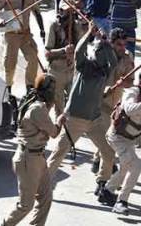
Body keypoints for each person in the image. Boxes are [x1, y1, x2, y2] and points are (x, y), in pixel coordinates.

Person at [46, 23, 118, 188]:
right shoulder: (83, 67)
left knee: (108, 153)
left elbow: (113, 62)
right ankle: (43, 185)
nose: (95, 55)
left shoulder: (103, 72)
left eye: (99, 52)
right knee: (58, 154)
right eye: (94, 51)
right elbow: (79, 51)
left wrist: (106, 44)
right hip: (74, 119)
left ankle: (102, 183)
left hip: (94, 120)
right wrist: (89, 34)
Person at [99, 68, 141, 215]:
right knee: (136, 167)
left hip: (130, 140)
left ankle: (107, 191)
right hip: (117, 137)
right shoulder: (132, 92)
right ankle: (121, 201)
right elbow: (129, 109)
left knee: (125, 167)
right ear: (140, 82)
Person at [1, 74, 66, 226]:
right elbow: (54, 132)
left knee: (45, 197)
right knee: (26, 205)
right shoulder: (38, 109)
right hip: (28, 159)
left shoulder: (37, 103)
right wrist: (59, 120)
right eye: (53, 89)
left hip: (37, 157)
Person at [90, 28, 134, 193]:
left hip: (114, 105)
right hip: (98, 102)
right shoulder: (102, 53)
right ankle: (102, 181)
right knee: (108, 146)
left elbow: (131, 81)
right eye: (118, 44)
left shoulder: (128, 58)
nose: (122, 48)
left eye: (124, 44)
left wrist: (123, 83)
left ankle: (98, 161)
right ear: (111, 43)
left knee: (106, 140)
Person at [0, 0, 45, 94]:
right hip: (11, 35)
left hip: (26, 34)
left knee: (33, 57)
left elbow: (37, 12)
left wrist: (42, 29)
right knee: (10, 62)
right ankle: (8, 87)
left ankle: (29, 86)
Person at [45, 0, 85, 118]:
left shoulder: (76, 25)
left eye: (69, 12)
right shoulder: (54, 26)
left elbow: (81, 46)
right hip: (57, 71)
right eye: (63, 11)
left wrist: (86, 28)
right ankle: (60, 126)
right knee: (59, 105)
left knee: (74, 100)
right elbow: (47, 53)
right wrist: (63, 51)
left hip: (71, 69)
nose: (65, 14)